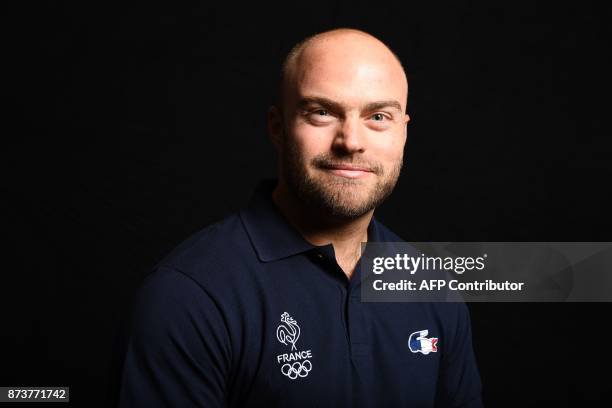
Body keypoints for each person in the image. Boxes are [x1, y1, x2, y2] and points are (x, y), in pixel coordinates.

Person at [114, 28, 483, 407]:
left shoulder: (432, 289)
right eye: (322, 113)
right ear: (278, 127)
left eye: (378, 116)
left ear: (403, 133)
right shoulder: (189, 296)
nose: (351, 140)